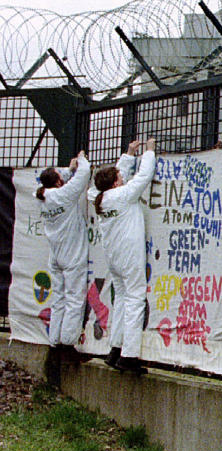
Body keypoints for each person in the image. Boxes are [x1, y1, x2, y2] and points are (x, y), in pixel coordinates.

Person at [90, 138, 157, 374]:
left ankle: (115, 348)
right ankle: (129, 356)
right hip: (129, 256)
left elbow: (115, 175)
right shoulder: (123, 196)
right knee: (135, 299)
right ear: (116, 183)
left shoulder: (98, 197)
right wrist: (149, 152)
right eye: (119, 178)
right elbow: (144, 176)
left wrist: (129, 154)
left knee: (120, 300)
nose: (122, 178)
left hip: (114, 258)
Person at [36, 151, 91, 355]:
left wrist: (68, 170)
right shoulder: (63, 195)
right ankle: (68, 343)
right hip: (72, 253)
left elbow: (61, 185)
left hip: (55, 255)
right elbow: (84, 174)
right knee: (74, 298)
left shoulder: (41, 196)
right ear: (58, 183)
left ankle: (54, 341)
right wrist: (82, 158)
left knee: (58, 299)